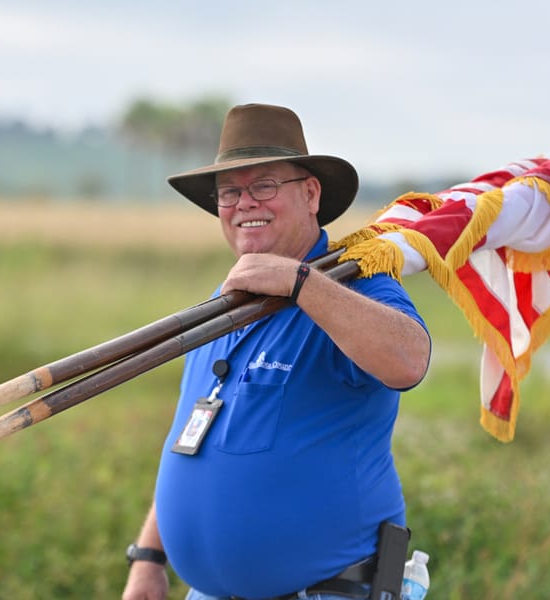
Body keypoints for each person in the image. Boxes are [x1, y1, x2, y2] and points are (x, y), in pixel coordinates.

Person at [121, 103, 431, 600]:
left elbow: (409, 359)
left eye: (263, 185)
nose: (244, 203)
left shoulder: (356, 282)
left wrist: (299, 282)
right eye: (229, 192)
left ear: (310, 194)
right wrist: (148, 557)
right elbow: (194, 433)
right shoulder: (223, 304)